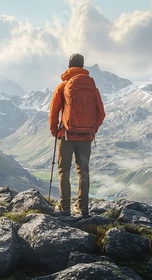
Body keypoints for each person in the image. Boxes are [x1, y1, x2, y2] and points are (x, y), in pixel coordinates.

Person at [49, 53, 106, 217]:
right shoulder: (92, 88)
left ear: (69, 66)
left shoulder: (63, 86)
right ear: (82, 66)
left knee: (64, 171)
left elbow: (54, 112)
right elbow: (101, 113)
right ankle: (83, 209)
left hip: (67, 136)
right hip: (86, 137)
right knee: (83, 171)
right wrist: (92, 129)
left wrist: (56, 132)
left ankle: (65, 207)